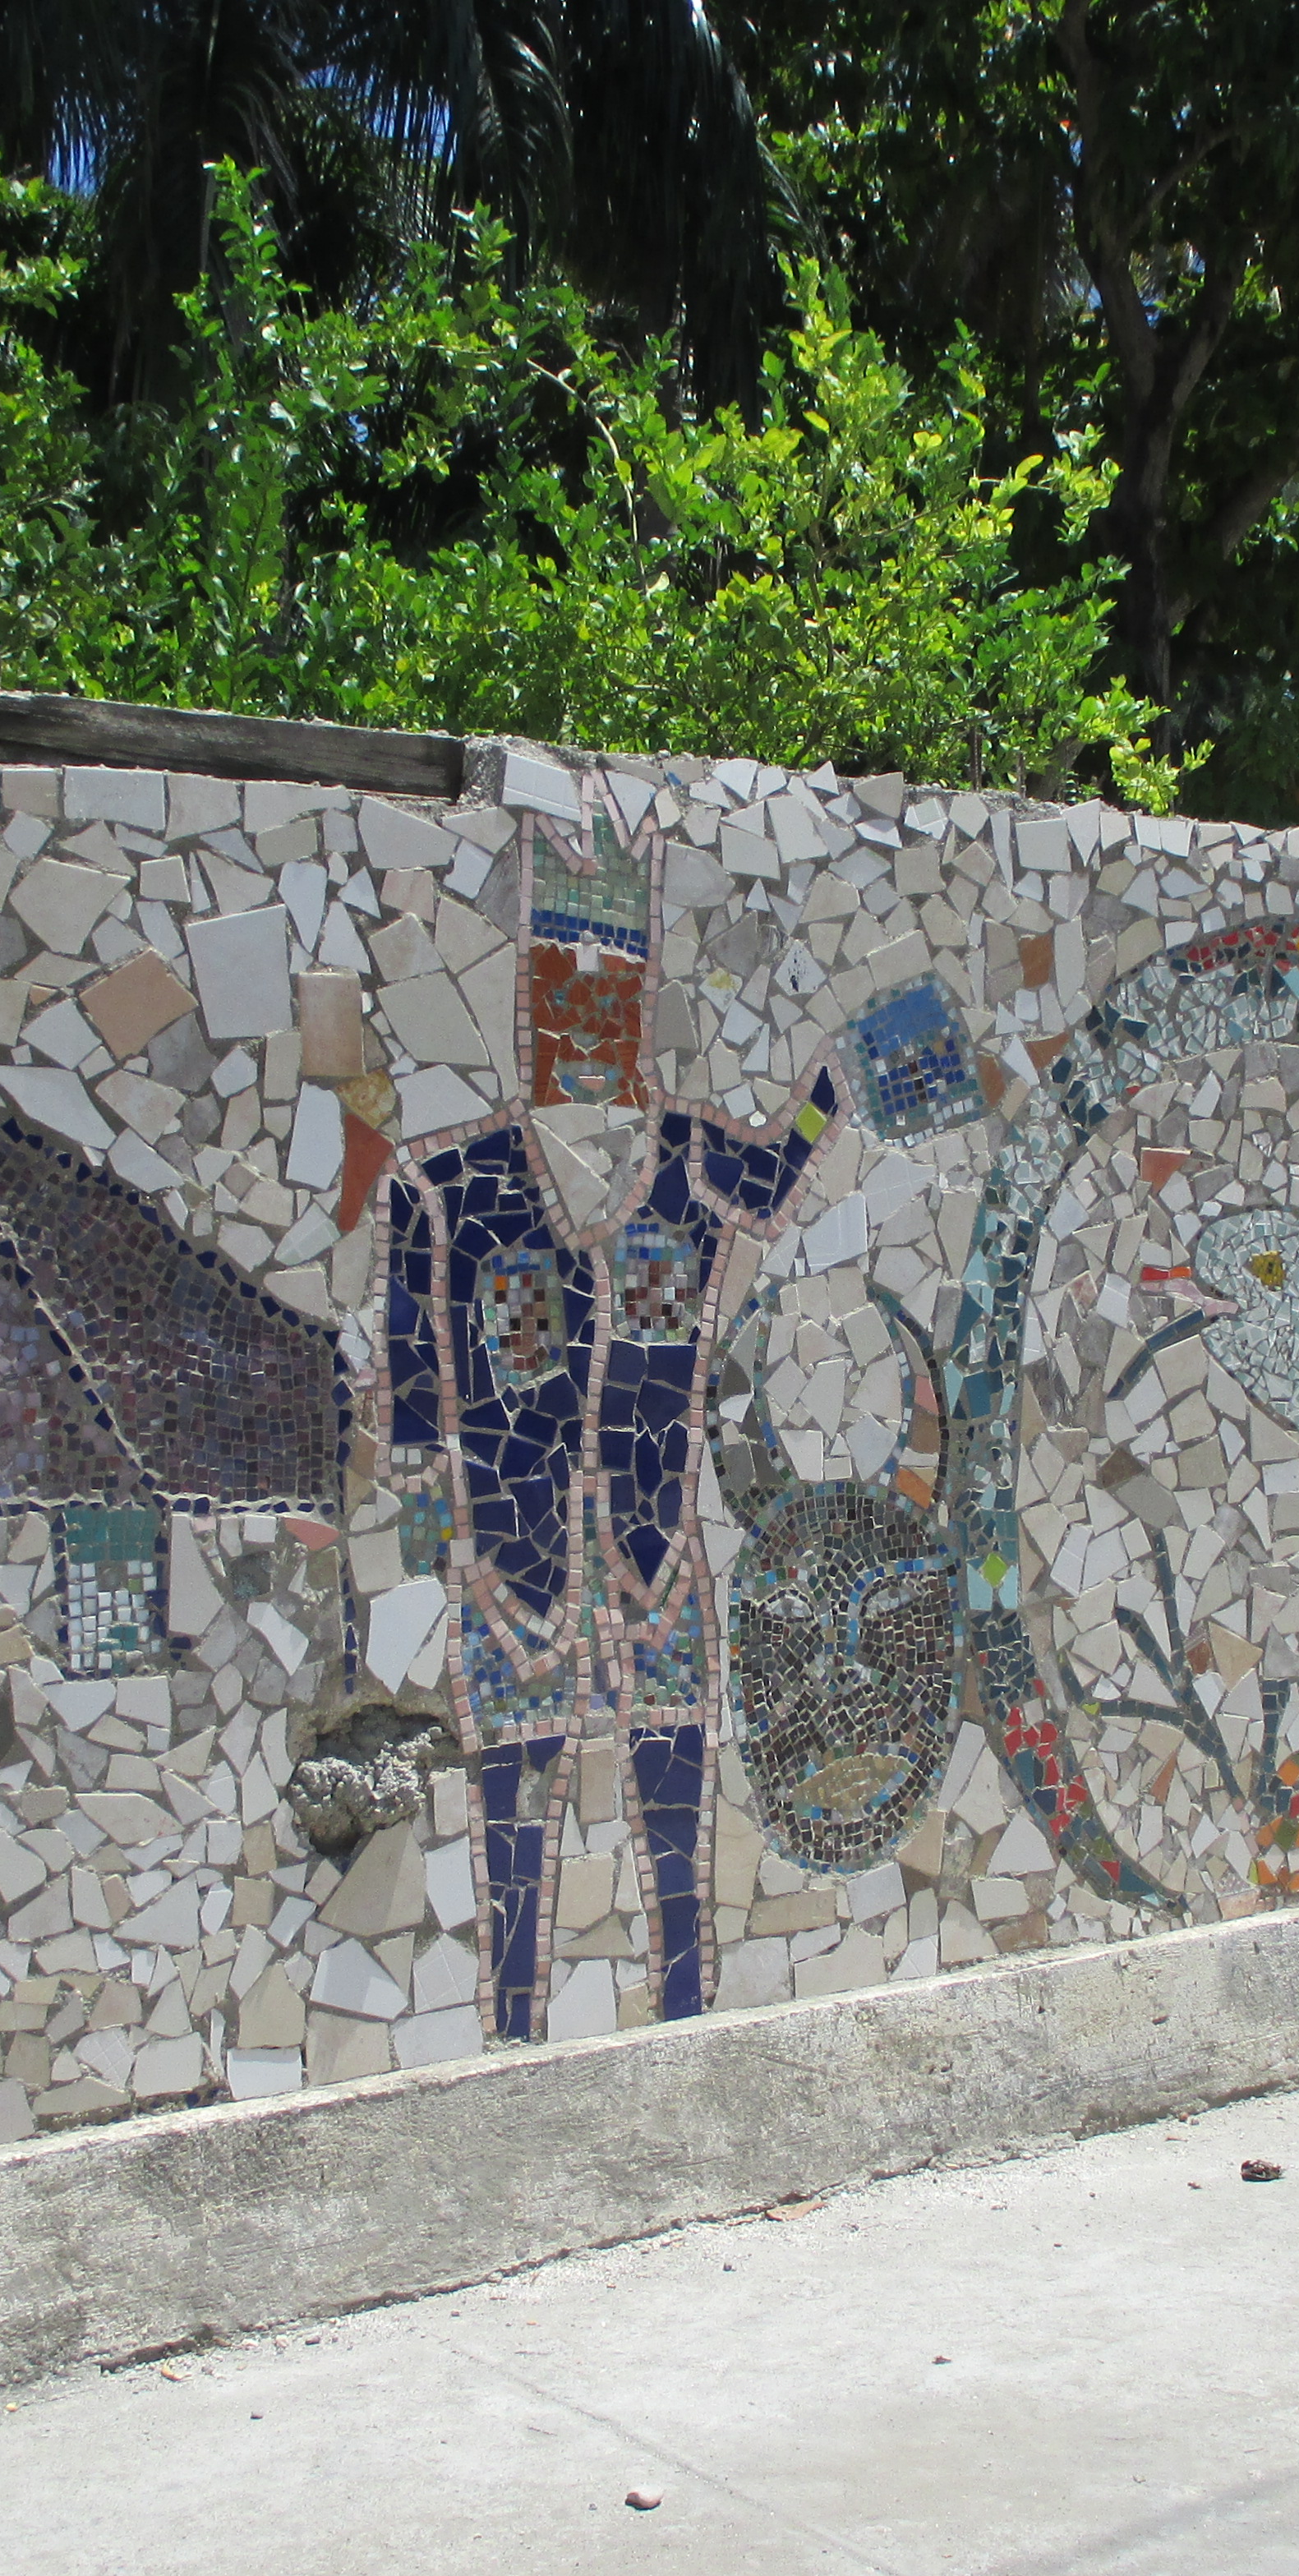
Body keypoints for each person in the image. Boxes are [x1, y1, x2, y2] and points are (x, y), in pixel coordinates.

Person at [381, 803, 836, 2038]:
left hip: (650, 1540)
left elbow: (785, 1178)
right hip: (516, 1554)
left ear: (637, 1010)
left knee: (672, 1779)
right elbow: (410, 1353)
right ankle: (518, 2021)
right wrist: (429, 1491)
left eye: (613, 992)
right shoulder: (454, 1185)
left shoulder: (685, 1162)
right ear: (534, 999)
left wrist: (833, 1083)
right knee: (515, 1791)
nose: (589, 1017)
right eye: (563, 987)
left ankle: (685, 1998)